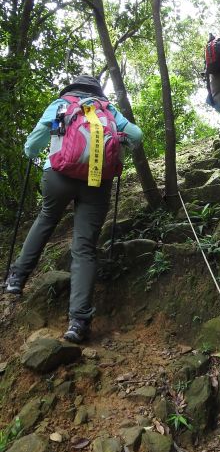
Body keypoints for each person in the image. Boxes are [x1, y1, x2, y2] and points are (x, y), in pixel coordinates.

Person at [4, 76, 143, 343]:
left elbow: (32, 146)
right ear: (97, 92)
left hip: (58, 176)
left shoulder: (61, 104)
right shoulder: (107, 110)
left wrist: (33, 150)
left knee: (46, 219)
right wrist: (122, 143)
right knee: (84, 247)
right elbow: (136, 135)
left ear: (73, 89)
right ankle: (78, 322)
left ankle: (16, 279)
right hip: (97, 181)